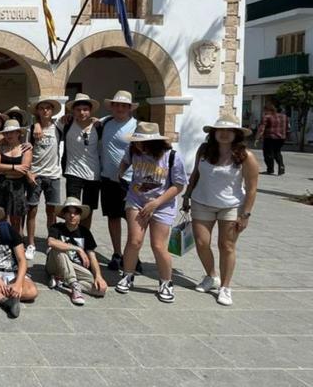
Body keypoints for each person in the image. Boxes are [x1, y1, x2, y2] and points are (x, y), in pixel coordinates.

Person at [183, 114, 259, 306]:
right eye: (220, 130)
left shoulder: (246, 156)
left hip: (231, 206)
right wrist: (186, 195)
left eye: (229, 130)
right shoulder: (205, 150)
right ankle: (211, 276)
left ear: (236, 134)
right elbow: (195, 174)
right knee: (201, 243)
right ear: (214, 132)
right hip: (201, 201)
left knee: (226, 246)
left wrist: (246, 214)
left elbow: (251, 188)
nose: (224, 134)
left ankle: (225, 287)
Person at [115, 122, 187, 303]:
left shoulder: (171, 157)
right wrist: (121, 173)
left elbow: (178, 185)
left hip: (162, 203)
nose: (138, 145)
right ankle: (127, 274)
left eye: (142, 142)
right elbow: (124, 163)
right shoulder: (133, 151)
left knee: (158, 245)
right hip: (136, 199)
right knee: (134, 240)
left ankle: (166, 282)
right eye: (136, 141)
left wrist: (156, 203)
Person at [98, 91, 140, 272]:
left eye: (124, 105)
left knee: (134, 221)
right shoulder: (105, 123)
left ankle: (133, 255)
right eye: (117, 105)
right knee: (113, 217)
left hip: (130, 181)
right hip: (108, 178)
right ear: (112, 107)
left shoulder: (137, 127)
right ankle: (117, 253)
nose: (120, 108)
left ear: (129, 108)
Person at [46, 197, 108, 306]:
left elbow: (92, 257)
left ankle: (63, 281)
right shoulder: (57, 227)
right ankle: (74, 286)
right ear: (64, 214)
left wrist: (98, 276)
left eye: (75, 213)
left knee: (100, 289)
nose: (72, 216)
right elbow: (51, 242)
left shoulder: (85, 232)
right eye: (69, 212)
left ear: (80, 216)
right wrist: (77, 248)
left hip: (75, 267)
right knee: (58, 249)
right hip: (55, 263)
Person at [26, 98, 63, 261]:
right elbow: (26, 151)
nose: (45, 111)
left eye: (48, 108)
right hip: (36, 174)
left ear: (52, 111)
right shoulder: (31, 129)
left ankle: (51, 241)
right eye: (42, 108)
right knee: (32, 210)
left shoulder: (58, 127)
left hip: (53, 174)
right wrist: (28, 172)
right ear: (37, 111)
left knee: (51, 211)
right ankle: (31, 243)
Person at [0, 119, 33, 253]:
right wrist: (15, 167)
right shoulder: (0, 146)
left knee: (16, 219)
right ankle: (2, 243)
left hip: (17, 186)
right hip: (0, 185)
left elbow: (24, 169)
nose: (9, 135)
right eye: (7, 133)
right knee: (0, 216)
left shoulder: (25, 148)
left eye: (12, 132)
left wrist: (4, 169)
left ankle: (17, 245)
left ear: (18, 133)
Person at [62, 93, 102, 229]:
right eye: (78, 109)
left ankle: (84, 236)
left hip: (93, 173)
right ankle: (72, 235)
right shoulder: (66, 124)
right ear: (73, 111)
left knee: (88, 209)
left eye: (85, 109)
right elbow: (46, 123)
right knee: (72, 208)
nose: (82, 112)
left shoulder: (98, 126)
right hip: (73, 171)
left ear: (90, 111)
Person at [256, 103, 288, 175]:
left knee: (268, 153)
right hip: (281, 138)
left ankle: (270, 169)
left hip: (270, 137)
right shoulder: (284, 116)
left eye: (265, 110)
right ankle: (281, 166)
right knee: (277, 152)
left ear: (268, 110)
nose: (264, 112)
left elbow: (261, 128)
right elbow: (287, 128)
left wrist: (257, 138)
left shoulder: (266, 117)